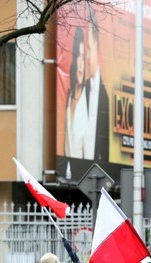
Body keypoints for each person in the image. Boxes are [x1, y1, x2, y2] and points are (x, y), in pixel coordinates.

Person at [84, 5, 109, 162]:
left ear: (97, 46)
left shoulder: (106, 99)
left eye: (89, 48)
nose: (86, 56)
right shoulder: (83, 90)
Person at [64, 28, 88, 158]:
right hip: (67, 173)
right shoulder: (68, 99)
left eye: (83, 58)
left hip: (85, 174)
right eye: (78, 56)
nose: (80, 65)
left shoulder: (89, 101)